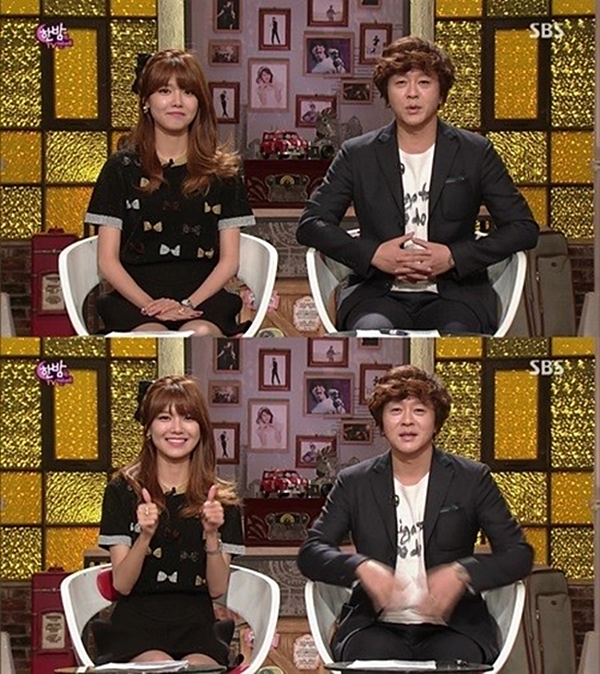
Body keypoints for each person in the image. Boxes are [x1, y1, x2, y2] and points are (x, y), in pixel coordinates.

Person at [296, 36, 539, 335]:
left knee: (456, 334)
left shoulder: (475, 152)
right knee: (372, 332)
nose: (412, 93)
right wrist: (373, 254)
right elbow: (311, 224)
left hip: (456, 295)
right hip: (378, 294)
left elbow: (523, 228)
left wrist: (454, 257)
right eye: (401, 83)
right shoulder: (357, 154)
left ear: (441, 94)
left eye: (424, 82)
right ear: (387, 95)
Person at [297, 365, 533, 667]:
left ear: (436, 422)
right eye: (396, 410)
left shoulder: (472, 479)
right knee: (371, 659)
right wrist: (361, 566)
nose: (407, 420)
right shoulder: (355, 482)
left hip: (454, 627)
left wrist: (463, 572)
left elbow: (518, 554)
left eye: (419, 410)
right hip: (375, 625)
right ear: (382, 423)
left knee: (454, 662)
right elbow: (311, 553)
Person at [86, 49, 256, 335]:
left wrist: (188, 303)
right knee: (153, 335)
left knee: (201, 333)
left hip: (204, 295)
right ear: (146, 101)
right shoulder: (120, 169)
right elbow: (107, 260)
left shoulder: (222, 173)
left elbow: (229, 261)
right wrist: (151, 305)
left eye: (188, 92)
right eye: (165, 91)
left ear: (199, 102)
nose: (177, 101)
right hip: (134, 296)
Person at [97, 375, 245, 667]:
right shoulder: (122, 491)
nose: (177, 428)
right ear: (148, 427)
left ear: (201, 428)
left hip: (197, 625)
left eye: (188, 418)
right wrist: (145, 535)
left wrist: (211, 534)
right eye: (164, 417)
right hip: (136, 624)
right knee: (160, 664)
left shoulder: (219, 500)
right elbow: (122, 584)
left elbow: (217, 589)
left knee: (198, 669)